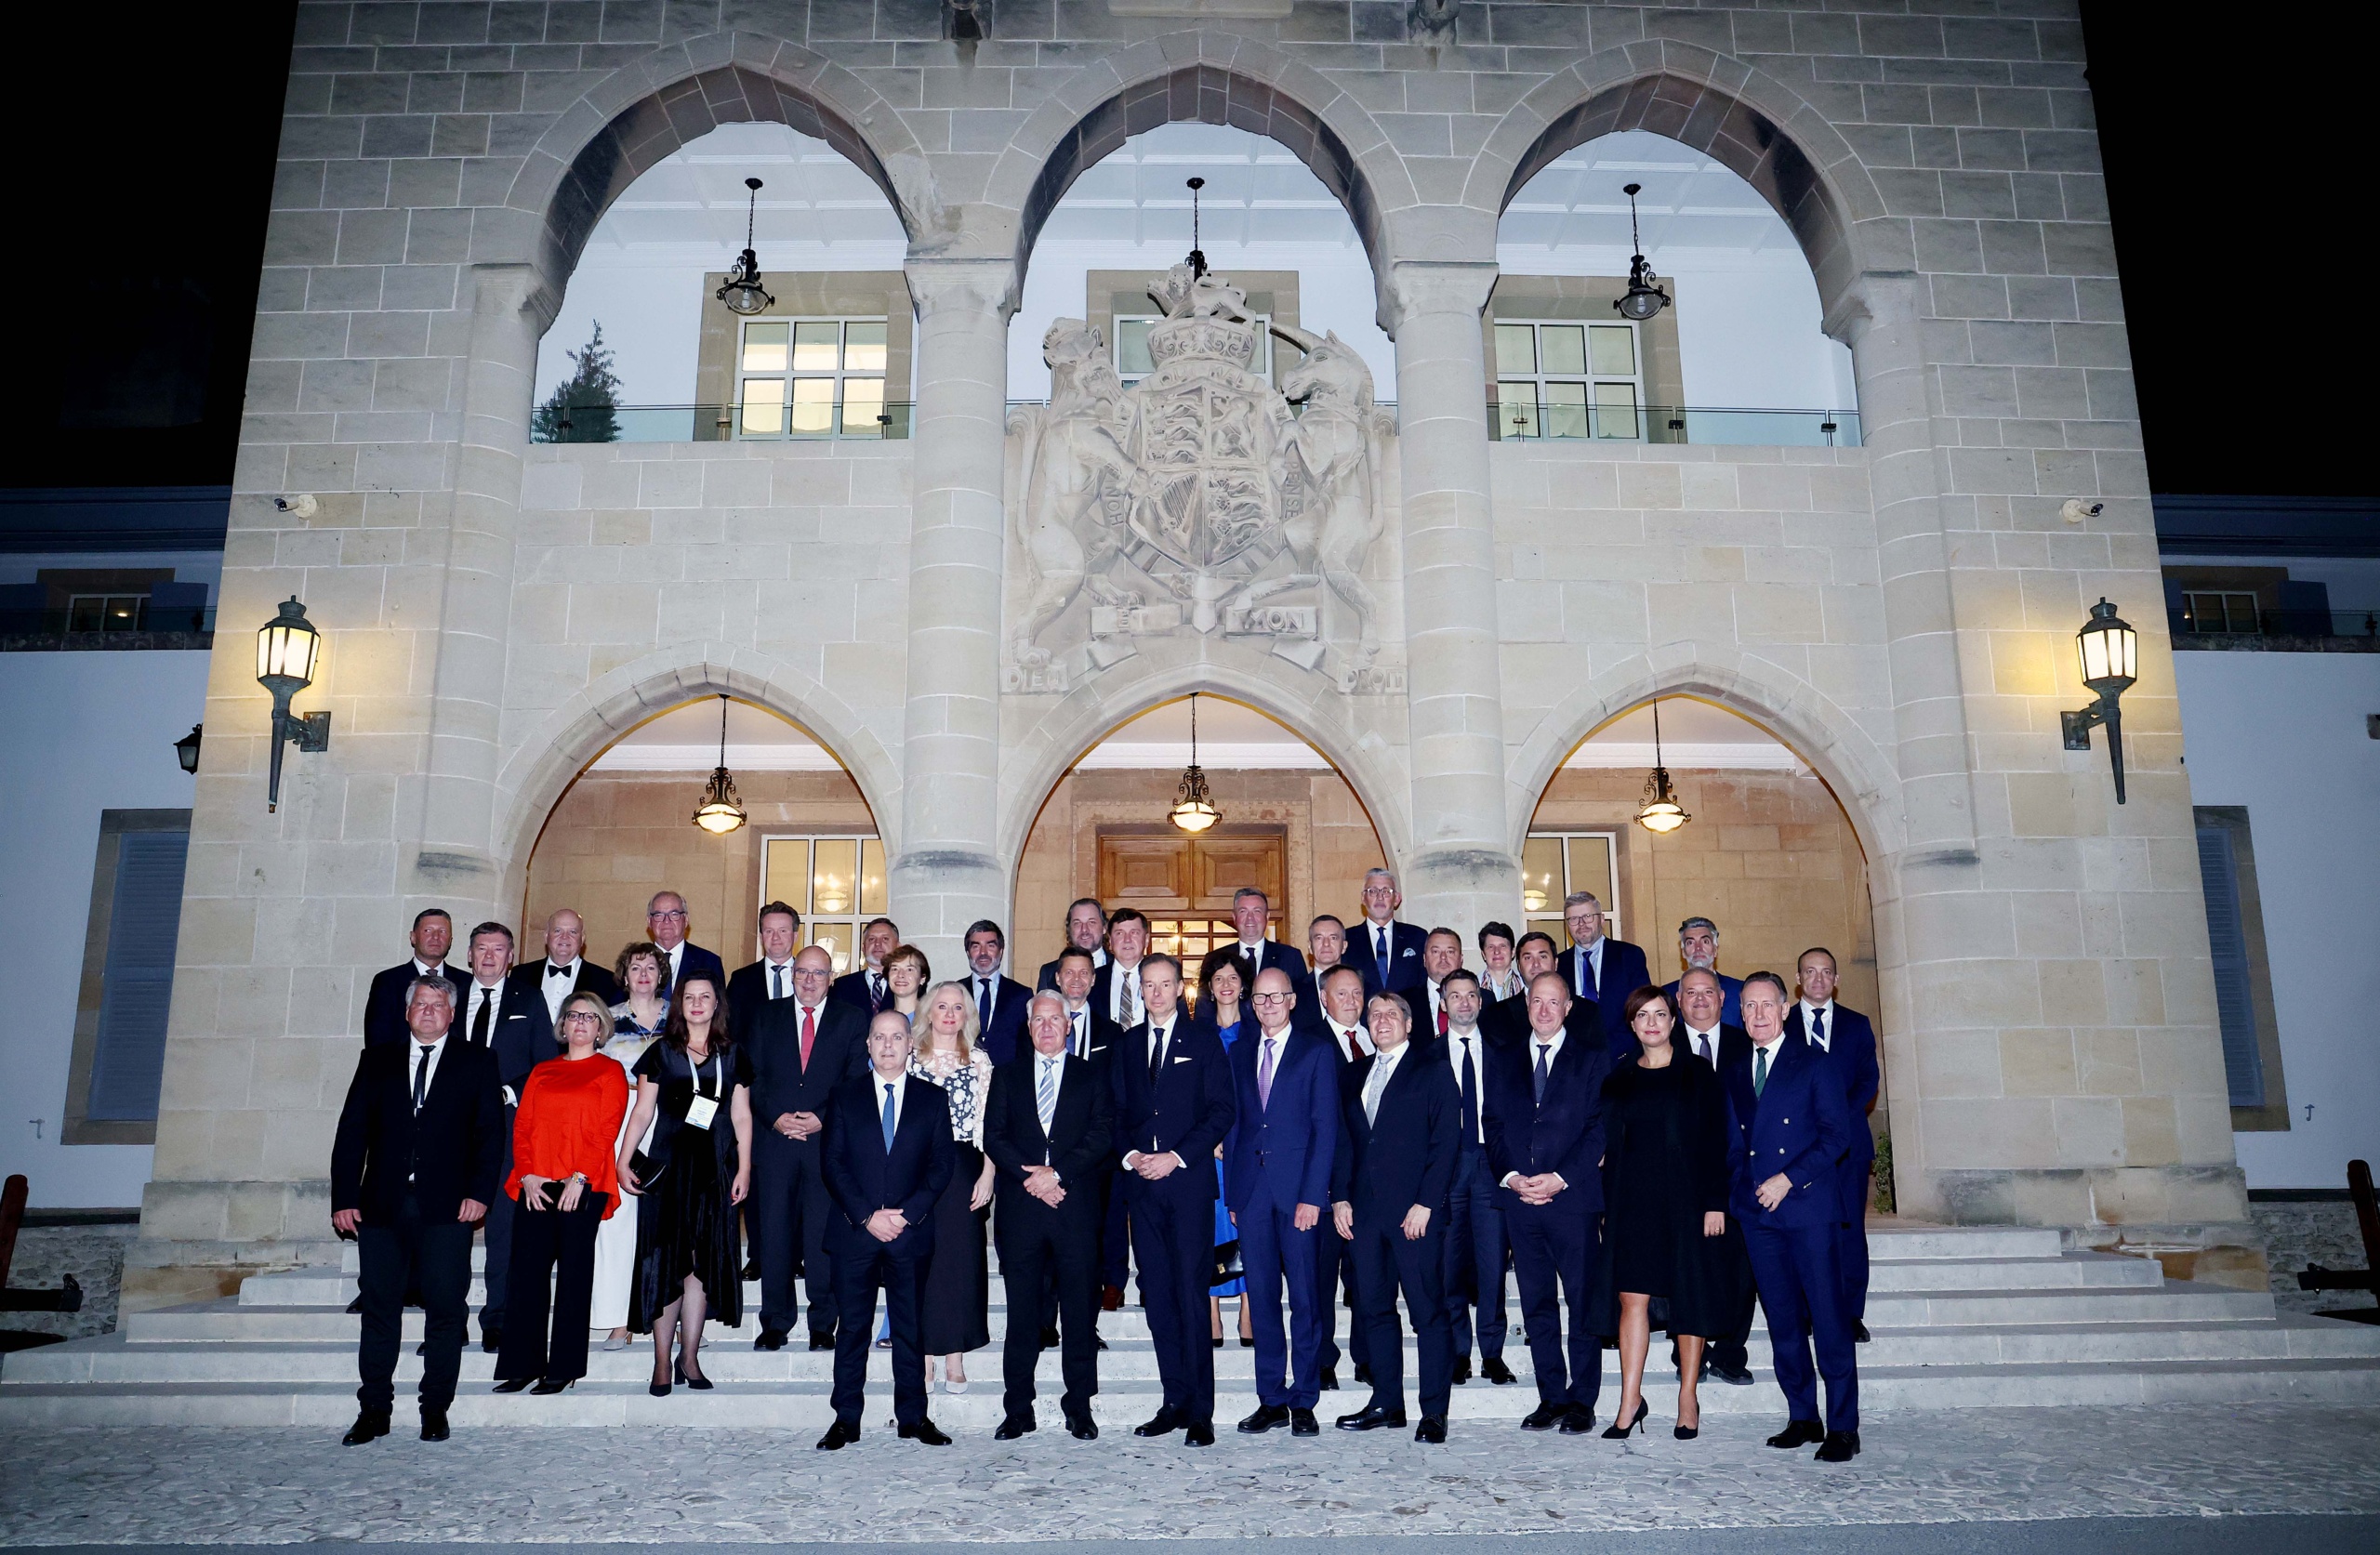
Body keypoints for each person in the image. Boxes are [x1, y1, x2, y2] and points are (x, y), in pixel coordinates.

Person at [330, 975, 503, 1444]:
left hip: (448, 1208)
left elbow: (490, 1135)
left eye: (438, 1004)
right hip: (381, 1206)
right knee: (379, 1310)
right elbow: (352, 1132)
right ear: (407, 1013)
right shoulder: (377, 1060)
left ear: (452, 1014)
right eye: (421, 1003)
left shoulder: (477, 1061)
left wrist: (479, 1193)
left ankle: (435, 1408)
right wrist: (344, 1197)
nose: (428, 1011)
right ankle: (374, 1410)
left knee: (445, 1309)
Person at [1593, 986, 1746, 1442]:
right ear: (1632, 1025)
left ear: (1673, 1020)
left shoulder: (1698, 1073)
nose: (1652, 1023)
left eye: (1660, 1014)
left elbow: (1716, 1141)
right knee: (1631, 1300)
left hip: (1687, 1201)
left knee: (1688, 1295)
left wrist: (1716, 1202)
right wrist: (1606, 1208)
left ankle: (1687, 1397)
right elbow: (1608, 1149)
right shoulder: (1618, 1078)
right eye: (1642, 1016)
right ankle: (1630, 1400)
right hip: (1631, 1202)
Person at [1725, 970, 1860, 1463]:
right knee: (1782, 1319)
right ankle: (1803, 1415)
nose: (1758, 1014)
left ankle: (1843, 1426)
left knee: (1827, 1318)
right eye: (1749, 1006)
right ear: (1740, 1013)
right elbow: (1732, 1141)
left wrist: (1788, 1179)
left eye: (1767, 1005)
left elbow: (1836, 1136)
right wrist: (1741, 1190)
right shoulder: (1735, 1068)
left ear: (1786, 1009)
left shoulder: (1815, 1063)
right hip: (1758, 1214)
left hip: (1807, 1209)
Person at [818, 1010, 958, 1449]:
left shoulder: (932, 1099)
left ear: (910, 1044)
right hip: (854, 1231)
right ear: (868, 1044)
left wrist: (906, 1214)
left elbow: (942, 1164)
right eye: (879, 1037)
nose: (888, 1045)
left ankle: (913, 1417)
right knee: (852, 1329)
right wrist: (867, 1216)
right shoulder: (844, 1096)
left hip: (909, 1232)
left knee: (910, 1329)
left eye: (897, 1037)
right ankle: (846, 1419)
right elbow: (832, 1164)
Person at [1111, 953, 1235, 1445]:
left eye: (1165, 984)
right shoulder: (1126, 1045)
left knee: (1190, 1293)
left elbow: (1222, 1109)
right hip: (1142, 1189)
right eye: (1148, 985)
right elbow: (1115, 1112)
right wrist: (1131, 1155)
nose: (1157, 993)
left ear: (1180, 989)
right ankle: (1174, 1401)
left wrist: (1177, 1157)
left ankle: (1201, 1410)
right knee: (1158, 1296)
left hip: (1187, 1185)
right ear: (1139, 990)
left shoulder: (1202, 1040)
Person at [1484, 969, 1611, 1434]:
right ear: (1526, 1004)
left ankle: (1582, 1399)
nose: (1544, 1009)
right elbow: (1492, 1124)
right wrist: (1513, 1178)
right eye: (1537, 1000)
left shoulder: (1593, 1059)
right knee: (1537, 1304)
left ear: (1568, 1008)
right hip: (1520, 1201)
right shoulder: (1505, 1058)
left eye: (1553, 1001)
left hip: (1572, 1201)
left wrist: (1559, 1179)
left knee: (1581, 1302)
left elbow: (1599, 1128)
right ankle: (1551, 1396)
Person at [985, 993, 1116, 1440]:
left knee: (1079, 1315)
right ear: (1028, 1027)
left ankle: (1079, 1407)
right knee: (1022, 1316)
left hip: (1073, 1207)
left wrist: (1056, 1174)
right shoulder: (1007, 1075)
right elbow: (993, 1135)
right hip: (1022, 1211)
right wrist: (1033, 1178)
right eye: (1038, 1019)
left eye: (1054, 1019)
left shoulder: (1091, 1075)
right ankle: (1018, 1409)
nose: (1046, 1027)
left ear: (1068, 1025)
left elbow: (1102, 1133)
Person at [1330, 992, 1459, 1441]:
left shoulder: (1433, 1069)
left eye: (1391, 1014)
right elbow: (1344, 1142)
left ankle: (1434, 1412)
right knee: (1374, 1310)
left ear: (1408, 1023)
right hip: (1363, 1215)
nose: (1381, 1020)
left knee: (1428, 1312)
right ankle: (1387, 1402)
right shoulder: (1354, 1073)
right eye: (1374, 1015)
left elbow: (1447, 1141)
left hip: (1415, 1214)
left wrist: (1427, 1203)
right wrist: (1339, 1197)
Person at [616, 972, 752, 1396]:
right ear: (679, 1004)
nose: (696, 1003)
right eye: (689, 996)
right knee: (667, 1262)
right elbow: (642, 1112)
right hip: (671, 1166)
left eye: (704, 996)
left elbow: (741, 1115)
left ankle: (689, 1357)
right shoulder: (662, 1052)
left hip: (715, 1169)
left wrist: (745, 1168)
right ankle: (661, 1360)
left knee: (700, 1264)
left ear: (717, 1004)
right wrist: (623, 1159)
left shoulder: (733, 1053)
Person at [492, 991, 629, 1395]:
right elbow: (523, 1126)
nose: (581, 1022)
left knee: (573, 1278)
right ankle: (522, 1365)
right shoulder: (542, 1071)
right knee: (526, 1276)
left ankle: (564, 1368)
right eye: (574, 1016)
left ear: (601, 1028)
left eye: (590, 1017)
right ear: (563, 1026)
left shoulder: (610, 1071)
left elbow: (607, 1129)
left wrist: (579, 1177)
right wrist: (527, 1175)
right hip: (537, 1184)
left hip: (583, 1185)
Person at [1225, 964, 1338, 1435]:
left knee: (1306, 1299)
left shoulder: (1316, 1051)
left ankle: (1304, 1398)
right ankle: (1271, 1398)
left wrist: (1314, 1196)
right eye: (1260, 998)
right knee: (1263, 1298)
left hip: (1299, 1197)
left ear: (1292, 1000)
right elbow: (1235, 1125)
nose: (1268, 1005)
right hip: (1251, 1193)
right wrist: (1233, 1193)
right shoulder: (1240, 1051)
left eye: (1276, 997)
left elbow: (1326, 1129)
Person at [747, 944, 869, 1351]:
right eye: (802, 972)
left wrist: (822, 1117)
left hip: (826, 1144)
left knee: (822, 1234)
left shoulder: (851, 1019)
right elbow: (752, 1076)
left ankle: (822, 1324)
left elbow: (856, 1079)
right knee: (774, 1234)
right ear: (792, 975)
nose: (810, 980)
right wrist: (775, 1117)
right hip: (775, 1143)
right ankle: (775, 1321)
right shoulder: (765, 1015)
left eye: (819, 973)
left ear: (831, 979)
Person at [1788, 946, 1881, 1342]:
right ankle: (1808, 1312)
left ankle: (1850, 1313)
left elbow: (1867, 1080)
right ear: (1798, 979)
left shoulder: (1857, 1025)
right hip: (1796, 1149)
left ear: (1837, 980)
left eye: (1826, 972)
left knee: (1849, 1230)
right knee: (1804, 1231)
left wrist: (1835, 1120)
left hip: (1849, 1147)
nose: (1818, 979)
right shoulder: (1781, 1022)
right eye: (1810, 972)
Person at [1672, 968, 1757, 1386]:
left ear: (1724, 999)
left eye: (1708, 992)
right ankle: (1688, 1353)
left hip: (1742, 1174)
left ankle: (1730, 1352)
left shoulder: (1747, 1044)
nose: (1700, 999)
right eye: (1691, 993)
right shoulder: (1662, 1046)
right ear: (1678, 1001)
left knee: (1740, 1268)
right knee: (1686, 1267)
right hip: (1681, 1180)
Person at [911, 981, 997, 1390]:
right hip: (916, 1166)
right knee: (920, 1260)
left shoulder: (979, 1060)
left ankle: (955, 1356)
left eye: (957, 1007)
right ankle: (924, 1357)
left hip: (964, 1166)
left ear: (967, 1016)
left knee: (960, 1261)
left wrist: (988, 1173)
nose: (949, 1014)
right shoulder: (910, 1057)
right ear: (928, 1012)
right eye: (942, 1006)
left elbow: (989, 1123)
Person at [1436, 970, 1514, 1386]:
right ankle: (1457, 1352)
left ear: (1481, 1002)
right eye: (1455, 996)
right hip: (1446, 1168)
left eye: (1471, 995)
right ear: (1443, 1004)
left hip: (1491, 1164)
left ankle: (1492, 1353)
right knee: (1449, 1264)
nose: (1464, 1003)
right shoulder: (1427, 1054)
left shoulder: (1504, 1050)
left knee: (1492, 1262)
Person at [592, 942, 668, 1350]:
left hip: (670, 1124)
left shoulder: (680, 1017)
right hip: (621, 1122)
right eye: (635, 967)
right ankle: (618, 1318)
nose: (643, 974)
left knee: (668, 1226)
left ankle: (670, 1318)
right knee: (617, 1224)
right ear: (624, 975)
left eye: (651, 967)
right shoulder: (607, 1018)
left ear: (661, 975)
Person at [457, 920, 525, 1353]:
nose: (488, 956)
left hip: (505, 1128)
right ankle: (449, 1320)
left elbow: (543, 1063)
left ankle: (497, 1318)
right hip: (452, 1130)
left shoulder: (528, 999)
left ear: (510, 957)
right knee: (451, 1230)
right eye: (481, 948)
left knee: (503, 1228)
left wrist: (508, 1092)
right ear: (469, 955)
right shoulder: (448, 996)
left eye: (498, 949)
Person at [1052, 944, 1129, 1313]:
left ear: (1094, 980)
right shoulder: (1039, 1027)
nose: (1076, 979)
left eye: (1084, 972)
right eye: (1069, 972)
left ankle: (1111, 1284)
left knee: (1106, 1218)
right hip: (1053, 1145)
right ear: (1057, 978)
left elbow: (1118, 1090)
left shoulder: (1111, 1032)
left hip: (1100, 1144)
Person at [1310, 962, 1372, 1389]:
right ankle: (1322, 1360)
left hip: (1371, 1185)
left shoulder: (1379, 1037)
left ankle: (1366, 1358)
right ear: (1323, 999)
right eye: (1341, 993)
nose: (1351, 1001)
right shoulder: (1309, 1043)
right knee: (1320, 1279)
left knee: (1367, 1278)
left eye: (1356, 993)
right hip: (1325, 1183)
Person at [1192, 950, 1255, 1349]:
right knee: (1213, 1225)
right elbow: (1192, 1096)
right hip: (1209, 1147)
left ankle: (1250, 1308)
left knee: (1248, 1224)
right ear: (1209, 988)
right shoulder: (1196, 1034)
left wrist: (1235, 1140)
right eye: (1218, 979)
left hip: (1248, 1144)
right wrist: (1212, 1138)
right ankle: (1211, 1311)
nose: (1226, 985)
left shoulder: (1257, 1032)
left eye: (1233, 977)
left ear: (1243, 985)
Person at [501, 909, 623, 1065]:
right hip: (526, 1067)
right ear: (546, 936)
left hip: (580, 1068)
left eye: (573, 932)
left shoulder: (606, 980)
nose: (565, 937)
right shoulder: (521, 974)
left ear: (582, 939)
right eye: (558, 931)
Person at [1559, 892, 1651, 1054]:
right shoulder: (1558, 964)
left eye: (1588, 916)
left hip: (1622, 1056)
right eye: (1573, 919)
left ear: (1602, 919)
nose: (1581, 924)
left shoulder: (1629, 955)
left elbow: (1642, 1007)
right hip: (1574, 1057)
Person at [362, 909, 469, 1048]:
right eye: (428, 931)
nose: (436, 937)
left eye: (442, 931)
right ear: (413, 937)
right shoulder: (388, 981)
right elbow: (377, 1038)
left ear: (450, 940)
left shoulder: (466, 982)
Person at [1485, 932, 1601, 1050]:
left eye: (1543, 957)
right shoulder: (1497, 1015)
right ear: (1519, 966)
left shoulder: (1587, 1011)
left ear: (1556, 963)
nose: (1536, 964)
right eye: (1528, 958)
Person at [726, 900, 804, 1046]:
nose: (775, 937)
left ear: (795, 936)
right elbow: (731, 1030)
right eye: (769, 931)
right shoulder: (741, 980)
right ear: (761, 937)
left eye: (783, 931)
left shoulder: (809, 978)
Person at [1342, 869, 1426, 999]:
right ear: (1363, 898)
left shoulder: (1417, 937)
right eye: (1373, 891)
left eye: (1386, 891)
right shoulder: (1347, 939)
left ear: (1397, 899)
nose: (1380, 897)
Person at [1227, 888, 1316, 1007]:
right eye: (1243, 911)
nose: (1250, 918)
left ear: (1267, 917)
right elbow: (1206, 1008)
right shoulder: (1216, 959)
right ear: (1234, 917)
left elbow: (1302, 1004)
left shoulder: (1290, 957)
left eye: (1257, 911)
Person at [962, 920, 1033, 1067]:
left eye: (990, 946)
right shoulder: (955, 992)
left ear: (1001, 951)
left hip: (1008, 1076)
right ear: (968, 953)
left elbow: (1026, 1047)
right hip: (963, 1075)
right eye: (976, 946)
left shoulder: (1021, 995)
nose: (983, 953)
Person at [1661, 916, 1744, 1029]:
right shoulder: (1666, 995)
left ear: (1715, 949)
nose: (1698, 948)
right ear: (1683, 952)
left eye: (1705, 941)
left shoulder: (1739, 991)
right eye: (1690, 943)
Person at [645, 890, 727, 997]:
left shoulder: (709, 963)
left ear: (686, 920)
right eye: (658, 915)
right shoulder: (635, 963)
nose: (666, 921)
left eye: (674, 914)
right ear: (649, 921)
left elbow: (720, 1005)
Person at [1036, 898, 1110, 991]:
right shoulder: (1049, 973)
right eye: (1077, 923)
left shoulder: (1119, 968)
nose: (1084, 929)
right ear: (1069, 930)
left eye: (1092, 922)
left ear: (1104, 927)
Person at [1096, 909, 1153, 1030]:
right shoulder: (1094, 980)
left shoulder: (1164, 979)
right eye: (1119, 933)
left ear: (1146, 939)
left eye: (1134, 933)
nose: (1127, 940)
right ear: (1110, 941)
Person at [830, 917, 901, 1013]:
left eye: (885, 939)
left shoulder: (906, 984)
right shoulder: (842, 986)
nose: (877, 944)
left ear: (898, 947)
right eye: (871, 939)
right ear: (863, 948)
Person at [1418, 928, 1464, 1035]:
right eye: (1435, 951)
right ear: (1424, 959)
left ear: (1461, 959)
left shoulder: (1483, 998)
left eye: (1450, 952)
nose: (1443, 957)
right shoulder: (1405, 1000)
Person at [1477, 922, 1525, 1005]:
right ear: (1483, 954)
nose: (1497, 951)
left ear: (1513, 952)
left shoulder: (1525, 985)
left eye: (1502, 946)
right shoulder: (1474, 986)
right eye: (1491, 947)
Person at [883, 942, 930, 1023]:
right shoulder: (882, 1021)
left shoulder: (930, 1020)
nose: (900, 975)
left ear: (922, 978)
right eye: (895, 969)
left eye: (909, 969)